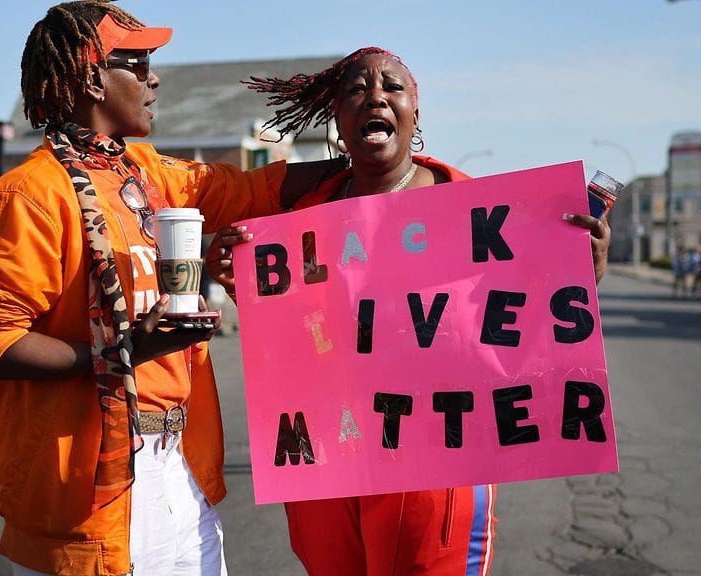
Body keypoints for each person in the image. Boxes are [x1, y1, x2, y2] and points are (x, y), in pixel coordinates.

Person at [0, 2, 340, 574]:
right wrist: (126, 350)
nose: (153, 78)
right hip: (90, 488)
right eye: (136, 63)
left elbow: (256, 188)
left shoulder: (145, 170)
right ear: (90, 78)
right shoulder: (25, 198)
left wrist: (369, 163)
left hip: (179, 467)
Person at [207, 47, 612, 576]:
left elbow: (530, 320)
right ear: (338, 117)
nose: (375, 95)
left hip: (432, 459)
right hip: (330, 459)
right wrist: (240, 283)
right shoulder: (300, 219)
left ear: (415, 114)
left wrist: (583, 270)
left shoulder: (472, 207)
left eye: (391, 87)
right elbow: (299, 329)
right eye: (356, 89)